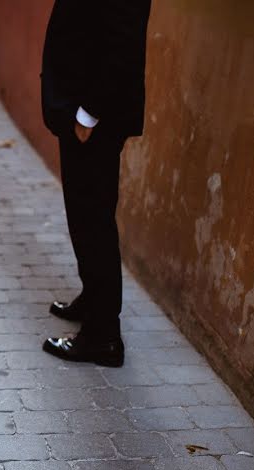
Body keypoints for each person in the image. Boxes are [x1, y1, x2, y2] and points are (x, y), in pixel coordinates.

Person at [40, 0, 151, 367]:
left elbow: (123, 34)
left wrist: (89, 113)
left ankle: (103, 335)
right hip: (83, 106)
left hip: (94, 113)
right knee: (86, 209)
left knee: (92, 215)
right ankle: (94, 298)